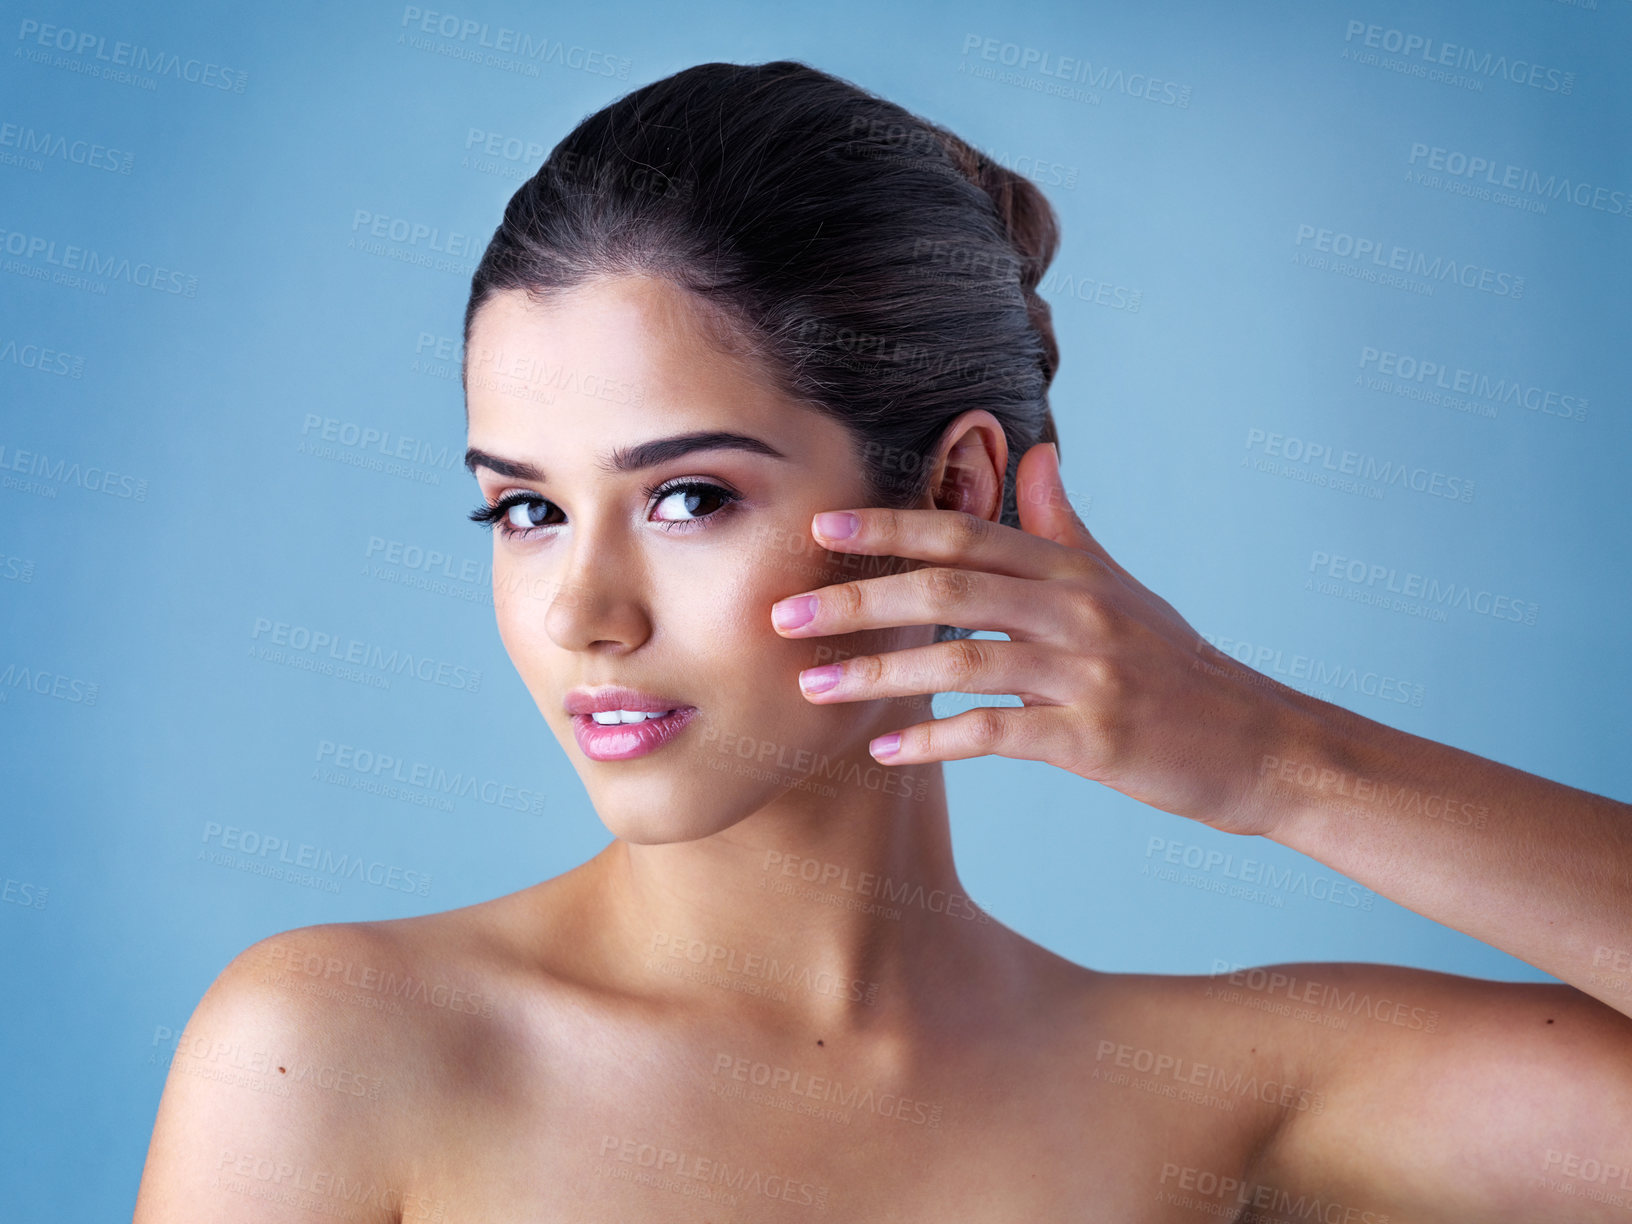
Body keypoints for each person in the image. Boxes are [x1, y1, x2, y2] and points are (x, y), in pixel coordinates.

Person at [134, 60, 1632, 1222]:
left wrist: (1271, 759)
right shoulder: (339, 1049)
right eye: (524, 513)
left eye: (688, 497)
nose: (585, 616)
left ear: (954, 491)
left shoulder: (1218, 1101)